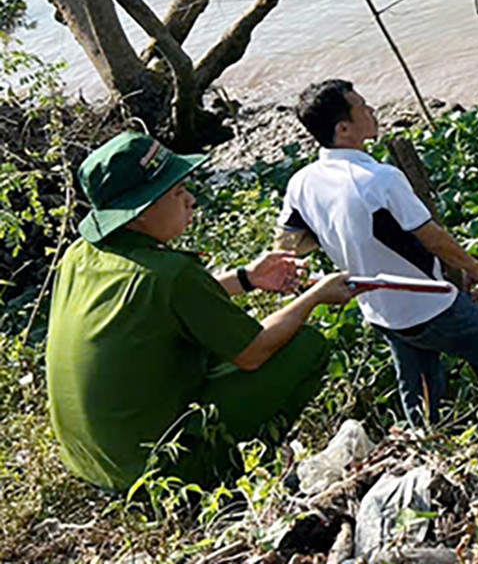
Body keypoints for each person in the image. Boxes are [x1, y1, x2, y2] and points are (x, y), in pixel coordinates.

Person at [46, 131, 355, 492]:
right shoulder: (171, 276)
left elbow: (156, 305)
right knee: (305, 345)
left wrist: (247, 278)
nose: (190, 200)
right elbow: (254, 351)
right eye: (177, 193)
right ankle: (226, 471)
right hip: (156, 474)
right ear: (140, 214)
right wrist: (315, 296)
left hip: (93, 463)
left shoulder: (80, 255)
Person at [277, 80, 478, 440]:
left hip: (377, 307)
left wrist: (334, 233)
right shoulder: (378, 178)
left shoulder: (302, 182)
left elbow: (288, 243)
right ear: (343, 129)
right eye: (362, 107)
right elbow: (430, 235)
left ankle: (426, 445)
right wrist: (473, 267)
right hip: (425, 302)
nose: (371, 111)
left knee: (419, 384)